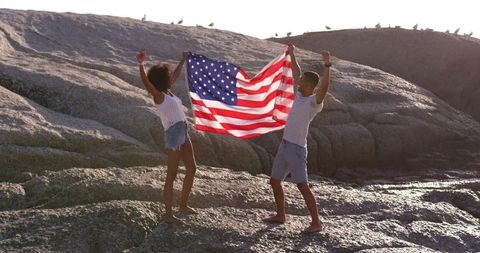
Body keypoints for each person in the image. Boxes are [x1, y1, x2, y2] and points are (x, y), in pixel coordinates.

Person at [263, 44, 331, 234]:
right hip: (285, 146)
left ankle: (316, 222)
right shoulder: (298, 94)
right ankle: (280, 215)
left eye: (301, 81)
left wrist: (327, 66)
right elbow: (296, 71)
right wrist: (292, 54)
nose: (298, 81)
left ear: (309, 86)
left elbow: (324, 88)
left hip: (297, 149)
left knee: (302, 185)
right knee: (275, 181)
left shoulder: (313, 103)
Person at [136, 50, 197, 224]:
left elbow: (175, 75)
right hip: (173, 134)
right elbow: (147, 84)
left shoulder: (168, 92)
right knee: (172, 175)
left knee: (192, 169)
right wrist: (141, 65)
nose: (172, 77)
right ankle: (169, 214)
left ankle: (183, 206)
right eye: (168, 76)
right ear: (161, 80)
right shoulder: (159, 96)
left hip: (183, 130)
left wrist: (182, 61)